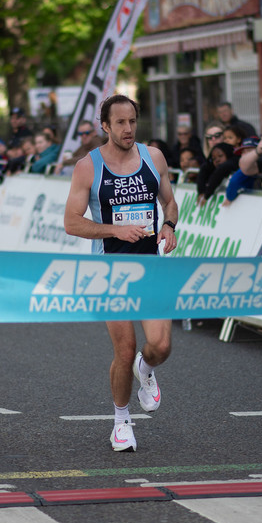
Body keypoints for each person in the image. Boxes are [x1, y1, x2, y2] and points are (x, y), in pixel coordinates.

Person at [63, 95, 178, 453]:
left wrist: (170, 225)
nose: (128, 129)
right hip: (109, 271)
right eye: (120, 123)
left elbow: (169, 201)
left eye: (132, 122)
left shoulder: (153, 157)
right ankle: (121, 421)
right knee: (124, 350)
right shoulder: (89, 166)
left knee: (160, 346)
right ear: (106, 126)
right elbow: (71, 222)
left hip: (150, 266)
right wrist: (114, 230)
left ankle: (147, 368)